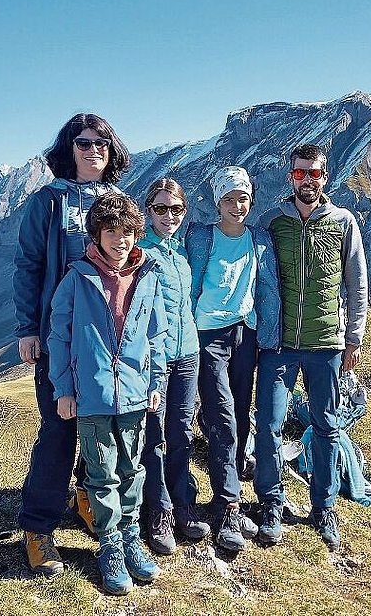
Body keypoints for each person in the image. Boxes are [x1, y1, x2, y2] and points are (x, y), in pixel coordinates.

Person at [13, 113, 130, 576]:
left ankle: (85, 493)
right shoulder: (48, 202)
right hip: (59, 336)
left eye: (101, 142)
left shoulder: (119, 201)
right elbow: (27, 266)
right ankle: (39, 528)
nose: (92, 149)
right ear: (69, 150)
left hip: (108, 337)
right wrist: (27, 328)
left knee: (101, 424)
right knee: (59, 430)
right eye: (83, 143)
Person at [48, 192, 167, 595]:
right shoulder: (77, 278)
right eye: (111, 231)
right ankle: (110, 543)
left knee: (134, 468)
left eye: (128, 231)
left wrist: (156, 385)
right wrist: (64, 388)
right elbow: (58, 335)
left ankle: (132, 537)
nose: (120, 240)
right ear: (96, 235)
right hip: (92, 394)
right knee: (101, 473)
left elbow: (158, 336)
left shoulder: (148, 277)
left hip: (135, 394)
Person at [253, 144, 368, 551]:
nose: (307, 180)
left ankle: (324, 506)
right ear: (291, 177)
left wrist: (354, 336)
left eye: (314, 173)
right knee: (267, 424)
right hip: (279, 344)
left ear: (326, 176)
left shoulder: (343, 222)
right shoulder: (272, 223)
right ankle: (270, 501)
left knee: (327, 427)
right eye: (300, 173)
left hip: (328, 344)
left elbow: (356, 281)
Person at [185, 166, 281, 552]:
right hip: (208, 335)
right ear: (217, 202)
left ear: (251, 200)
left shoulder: (259, 239)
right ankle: (227, 505)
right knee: (221, 415)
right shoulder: (200, 237)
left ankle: (232, 481)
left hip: (247, 333)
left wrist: (270, 335)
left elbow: (268, 287)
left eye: (242, 198)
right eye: (229, 199)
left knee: (241, 413)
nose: (236, 206)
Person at [137, 178, 210, 555]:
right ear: (148, 211)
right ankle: (159, 511)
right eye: (161, 208)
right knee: (155, 435)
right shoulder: (140, 253)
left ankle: (183, 503)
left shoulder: (181, 253)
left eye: (176, 209)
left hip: (189, 352)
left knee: (181, 430)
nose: (169, 216)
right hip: (156, 358)